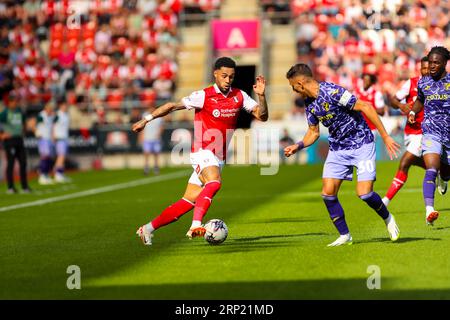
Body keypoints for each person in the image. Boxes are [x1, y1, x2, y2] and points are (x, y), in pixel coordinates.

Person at [132, 57, 269, 245]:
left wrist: (261, 96)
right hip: (202, 152)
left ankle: (147, 229)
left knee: (187, 202)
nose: (228, 80)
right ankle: (196, 224)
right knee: (214, 183)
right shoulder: (203, 96)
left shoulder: (240, 96)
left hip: (218, 157)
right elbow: (171, 106)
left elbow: (262, 116)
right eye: (224, 76)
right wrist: (146, 120)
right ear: (215, 74)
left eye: (231, 76)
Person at [284, 63, 400, 247]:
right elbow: (313, 132)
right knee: (328, 193)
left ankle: (388, 218)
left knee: (365, 194)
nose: (294, 91)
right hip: (338, 149)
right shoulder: (309, 103)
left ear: (300, 84)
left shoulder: (332, 91)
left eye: (293, 87)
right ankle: (345, 235)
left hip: (361, 143)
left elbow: (365, 106)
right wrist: (297, 146)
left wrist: (385, 136)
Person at [408, 46, 450, 226]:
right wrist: (412, 112)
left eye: (436, 62)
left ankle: (444, 176)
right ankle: (429, 210)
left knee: (446, 173)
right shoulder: (424, 82)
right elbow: (420, 100)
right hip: (431, 131)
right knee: (431, 168)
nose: (432, 66)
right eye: (430, 62)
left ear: (444, 63)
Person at [382, 56, 429, 206]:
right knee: (418, 161)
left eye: (429, 67)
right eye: (424, 68)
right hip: (410, 132)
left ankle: (385, 201)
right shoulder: (412, 83)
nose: (427, 71)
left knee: (404, 162)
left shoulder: (439, 86)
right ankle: (440, 172)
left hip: (426, 132)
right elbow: (393, 100)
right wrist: (401, 106)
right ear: (420, 69)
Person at [0, 93, 31, 194]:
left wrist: (24, 130)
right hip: (10, 141)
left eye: (15, 101)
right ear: (8, 103)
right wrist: (1, 135)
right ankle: (10, 187)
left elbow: (24, 123)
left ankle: (24, 186)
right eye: (13, 101)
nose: (15, 103)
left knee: (23, 162)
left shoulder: (20, 112)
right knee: (11, 163)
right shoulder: (4, 113)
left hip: (19, 139)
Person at [35, 102, 56, 185]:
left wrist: (52, 136)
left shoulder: (50, 116)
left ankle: (46, 174)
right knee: (45, 156)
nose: (51, 111)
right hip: (43, 138)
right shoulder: (41, 115)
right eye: (50, 109)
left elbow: (51, 126)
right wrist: (36, 132)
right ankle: (42, 175)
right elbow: (33, 123)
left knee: (49, 157)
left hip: (48, 138)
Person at [141, 105, 164, 175]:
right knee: (146, 153)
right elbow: (142, 125)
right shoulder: (145, 115)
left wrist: (159, 134)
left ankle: (156, 167)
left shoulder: (158, 116)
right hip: (147, 138)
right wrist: (141, 136)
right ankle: (146, 167)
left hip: (156, 139)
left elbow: (161, 127)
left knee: (156, 153)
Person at [53, 101, 71, 183]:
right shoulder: (57, 115)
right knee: (61, 156)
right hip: (59, 137)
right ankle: (58, 174)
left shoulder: (66, 115)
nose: (65, 107)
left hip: (64, 138)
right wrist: (53, 135)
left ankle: (61, 173)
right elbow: (52, 124)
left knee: (63, 157)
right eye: (64, 105)